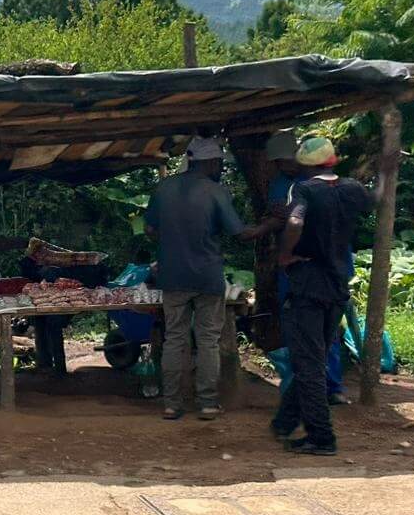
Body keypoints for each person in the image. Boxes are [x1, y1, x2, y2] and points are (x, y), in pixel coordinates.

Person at [271, 135, 383, 456]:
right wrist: (386, 170)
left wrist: (285, 254)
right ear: (332, 161)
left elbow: (295, 221)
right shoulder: (351, 189)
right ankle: (284, 422)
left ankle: (322, 437)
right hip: (337, 285)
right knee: (315, 358)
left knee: (308, 364)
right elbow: (376, 198)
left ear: (304, 166)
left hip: (308, 284)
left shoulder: (304, 190)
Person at [145, 137, 259, 422]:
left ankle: (172, 404)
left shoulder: (164, 187)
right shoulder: (216, 191)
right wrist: (269, 225)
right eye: (219, 163)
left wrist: (172, 240)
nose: (220, 168)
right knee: (208, 340)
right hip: (207, 276)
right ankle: (207, 403)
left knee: (174, 338)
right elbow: (239, 233)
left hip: (172, 275)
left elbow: (149, 230)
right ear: (211, 162)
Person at [264, 131, 348, 404]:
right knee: (299, 329)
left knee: (326, 330)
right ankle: (306, 387)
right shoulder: (282, 183)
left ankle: (330, 386)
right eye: (279, 162)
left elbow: (291, 218)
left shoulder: (322, 182)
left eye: (287, 160)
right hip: (298, 268)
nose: (284, 166)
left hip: (323, 267)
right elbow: (280, 214)